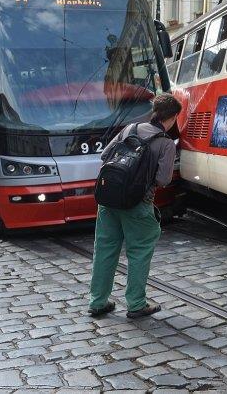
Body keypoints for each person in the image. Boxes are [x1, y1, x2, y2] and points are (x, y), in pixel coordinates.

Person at [87, 93, 182, 317]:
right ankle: (136, 304)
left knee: (104, 249)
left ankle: (98, 301)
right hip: (138, 204)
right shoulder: (165, 143)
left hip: (109, 200)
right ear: (173, 117)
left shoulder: (130, 129)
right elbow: (164, 180)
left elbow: (104, 156)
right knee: (139, 250)